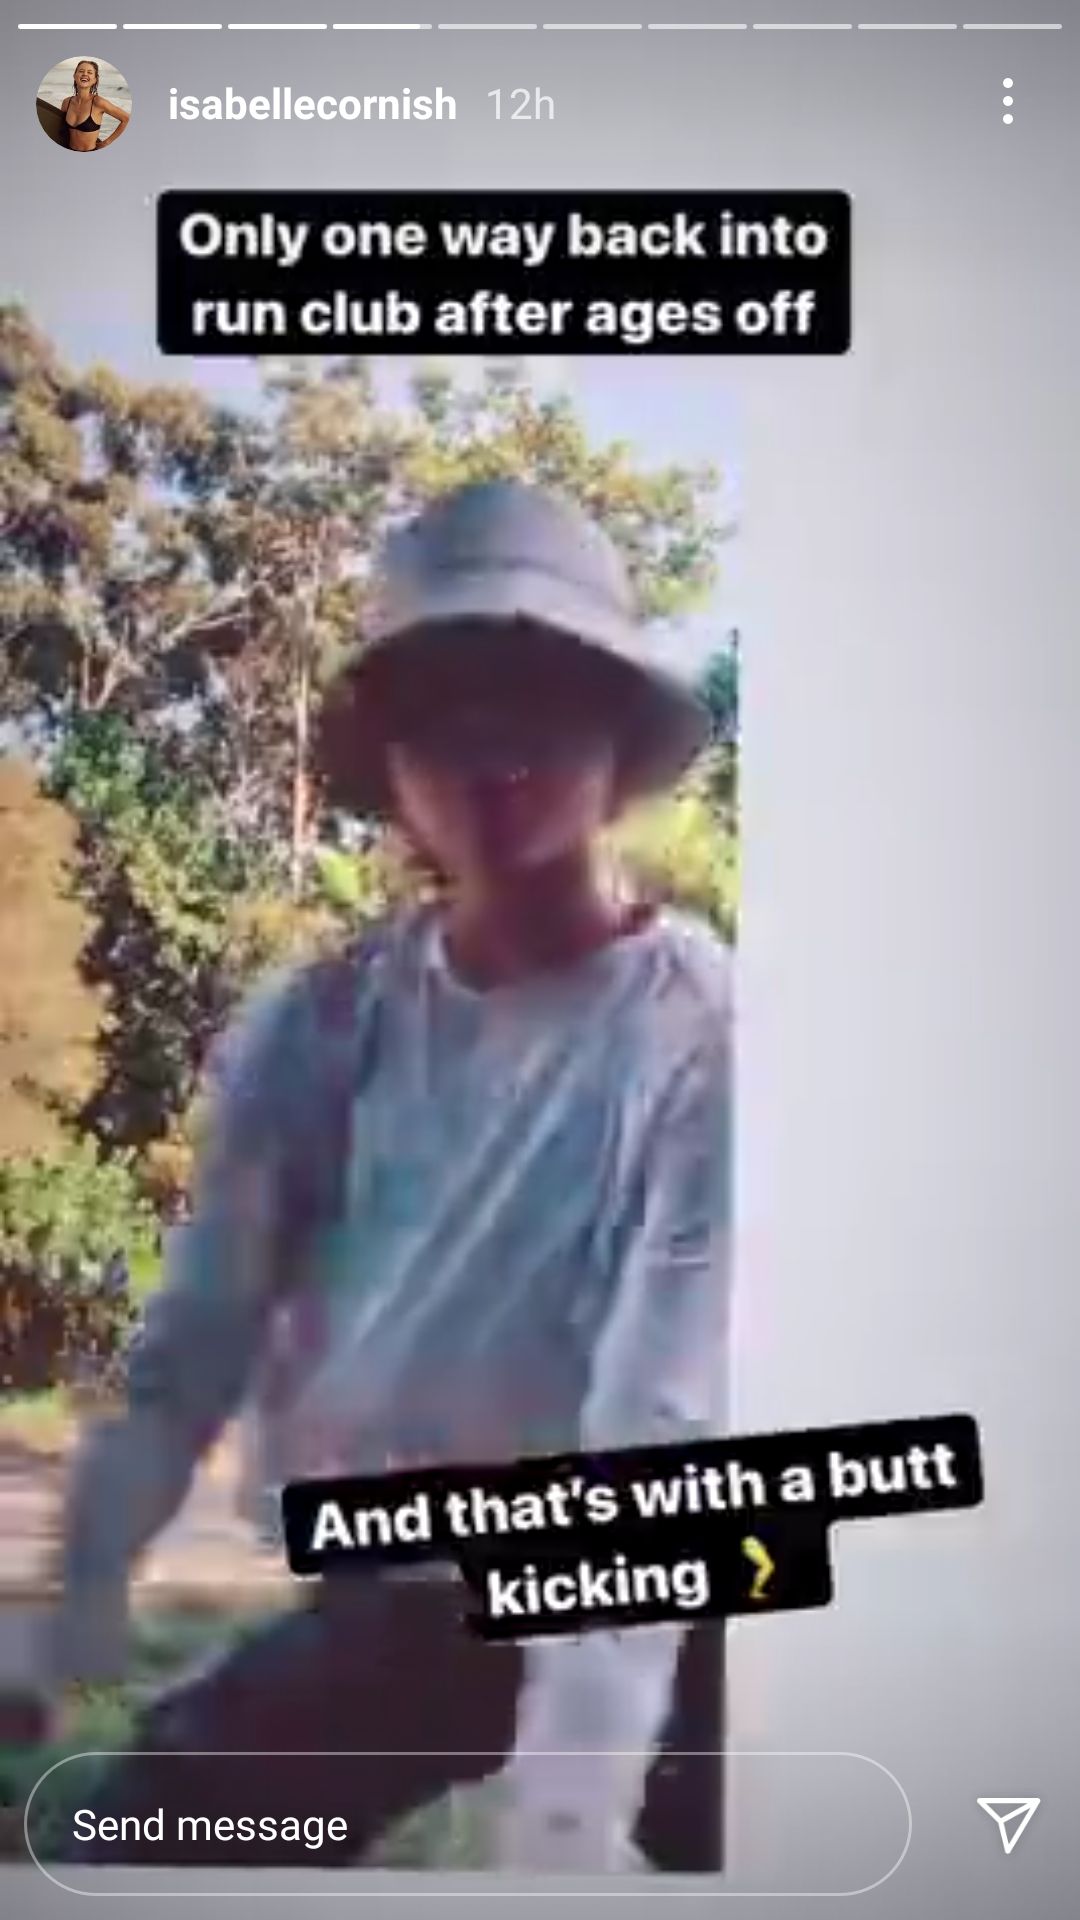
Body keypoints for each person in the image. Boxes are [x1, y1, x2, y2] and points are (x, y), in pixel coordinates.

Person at [36, 481, 734, 1874]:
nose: (490, 755)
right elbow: (195, 1342)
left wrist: (570, 1805)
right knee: (139, 1842)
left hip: (676, 1570)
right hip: (409, 1584)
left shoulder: (703, 1027)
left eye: (535, 701)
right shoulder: (326, 1025)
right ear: (393, 760)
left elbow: (657, 1416)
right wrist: (74, 1606)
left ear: (613, 738)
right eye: (441, 710)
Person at [60, 60, 129, 152]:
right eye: (81, 71)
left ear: (95, 80)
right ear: (74, 76)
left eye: (90, 72)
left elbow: (126, 119)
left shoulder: (98, 102)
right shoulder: (66, 102)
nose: (85, 74)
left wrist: (106, 143)